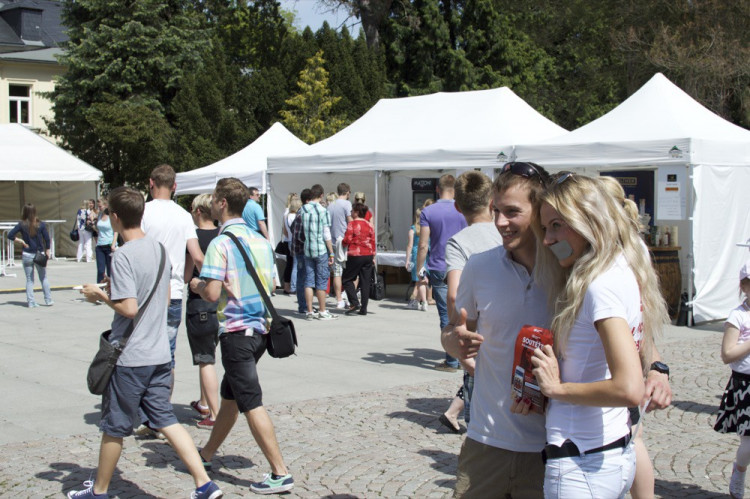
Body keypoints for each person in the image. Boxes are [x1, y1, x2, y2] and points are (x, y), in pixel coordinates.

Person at [68, 186, 222, 499]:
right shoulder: (161, 250)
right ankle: (204, 483)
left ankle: (99, 491)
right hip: (159, 353)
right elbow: (163, 299)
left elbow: (129, 309)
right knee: (165, 418)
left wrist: (100, 295)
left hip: (132, 356)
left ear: (114, 217)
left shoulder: (123, 255)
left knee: (114, 426)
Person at [529, 172, 668, 498]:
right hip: (610, 454)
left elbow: (629, 387)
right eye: (546, 228)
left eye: (557, 225)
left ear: (588, 219)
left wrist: (557, 389)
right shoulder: (620, 267)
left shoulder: (599, 285)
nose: (548, 239)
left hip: (581, 461)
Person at [442, 162, 552, 497]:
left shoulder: (567, 273)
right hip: (486, 442)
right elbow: (453, 332)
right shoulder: (480, 266)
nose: (500, 222)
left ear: (541, 210)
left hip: (551, 446)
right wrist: (454, 344)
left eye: (513, 212)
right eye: (496, 211)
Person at [189, 177, 294, 495]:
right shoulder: (261, 242)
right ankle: (206, 454)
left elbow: (210, 293)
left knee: (250, 401)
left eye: (214, 200)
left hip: (236, 332)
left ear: (221, 204)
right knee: (231, 396)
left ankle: (280, 472)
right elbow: (272, 285)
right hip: (261, 331)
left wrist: (195, 284)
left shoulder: (220, 244)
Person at [598, 175, 673, 499]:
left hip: (614, 364)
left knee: (629, 436)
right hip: (634, 354)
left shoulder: (609, 261)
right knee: (634, 435)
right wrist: (656, 366)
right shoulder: (632, 249)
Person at [139, 164, 204, 435]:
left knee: (141, 353)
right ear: (175, 186)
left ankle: (145, 412)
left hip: (145, 291)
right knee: (168, 356)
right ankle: (161, 414)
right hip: (175, 291)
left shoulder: (143, 211)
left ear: (151, 183)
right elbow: (197, 255)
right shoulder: (183, 216)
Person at [439, 171, 503, 434]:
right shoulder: (509, 231)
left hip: (481, 336)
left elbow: (454, 294)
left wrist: (455, 327)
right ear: (491, 202)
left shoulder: (460, 242)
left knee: (481, 426)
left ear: (458, 207)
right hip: (514, 333)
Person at [416, 174, 467, 372]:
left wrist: (419, 267)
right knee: (466, 311)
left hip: (439, 265)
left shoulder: (428, 211)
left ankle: (452, 359)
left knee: (446, 315)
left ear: (437, 189)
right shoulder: (462, 210)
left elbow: (423, 244)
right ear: (455, 189)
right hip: (463, 264)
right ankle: (465, 357)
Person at [184, 194, 220, 429]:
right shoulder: (222, 235)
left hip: (200, 302)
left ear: (198, 212)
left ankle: (215, 414)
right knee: (206, 354)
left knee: (205, 360)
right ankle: (204, 402)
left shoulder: (194, 237)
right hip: (221, 303)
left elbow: (187, 274)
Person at [714, 260, 750, 499]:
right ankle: (739, 470)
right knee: (748, 445)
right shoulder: (738, 316)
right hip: (745, 386)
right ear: (744, 286)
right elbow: (727, 354)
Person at [299, 184, 337, 321]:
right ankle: (322, 310)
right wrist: (331, 252)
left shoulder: (303, 209)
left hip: (308, 249)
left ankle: (309, 311)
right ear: (321, 195)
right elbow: (326, 234)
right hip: (320, 249)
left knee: (309, 281)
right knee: (321, 281)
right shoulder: (323, 210)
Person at [8, 203, 53, 307]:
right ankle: (48, 300)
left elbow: (10, 235)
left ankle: (31, 302)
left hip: (27, 254)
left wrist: (21, 241)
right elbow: (46, 238)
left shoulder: (21, 224)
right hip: (39, 254)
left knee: (29, 280)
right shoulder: (40, 224)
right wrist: (48, 250)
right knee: (44, 278)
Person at [342, 202, 376, 316]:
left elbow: (347, 239)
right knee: (365, 282)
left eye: (352, 211)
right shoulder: (369, 225)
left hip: (356, 254)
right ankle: (364, 308)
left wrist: (341, 242)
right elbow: (373, 241)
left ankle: (354, 302)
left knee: (346, 279)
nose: (351, 213)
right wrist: (373, 256)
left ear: (356, 212)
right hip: (368, 254)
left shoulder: (352, 224)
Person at [328, 183, 353, 309]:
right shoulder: (347, 204)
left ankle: (339, 299)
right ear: (347, 192)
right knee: (349, 271)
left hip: (333, 241)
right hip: (344, 241)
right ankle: (347, 296)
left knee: (337, 272)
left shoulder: (331, 205)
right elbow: (350, 221)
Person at [291, 189, 312, 315]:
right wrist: (310, 241)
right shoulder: (301, 213)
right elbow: (300, 235)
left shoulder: (301, 212)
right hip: (302, 250)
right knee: (302, 278)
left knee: (303, 278)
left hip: (300, 250)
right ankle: (303, 306)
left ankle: (304, 305)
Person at [405, 208, 428, 311]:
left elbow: (409, 246)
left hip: (416, 256)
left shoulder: (413, 229)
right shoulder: (427, 228)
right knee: (422, 280)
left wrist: (407, 260)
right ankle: (418, 301)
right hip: (426, 255)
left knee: (418, 280)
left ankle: (421, 301)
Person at [95, 197, 118, 283]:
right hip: (100, 245)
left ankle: (111, 291)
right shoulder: (100, 215)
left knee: (110, 270)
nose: (99, 208)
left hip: (109, 245)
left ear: (106, 205)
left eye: (100, 206)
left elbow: (116, 231)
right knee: (101, 270)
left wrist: (113, 243)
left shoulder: (111, 216)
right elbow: (98, 230)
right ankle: (99, 291)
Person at [282, 197, 301, 295]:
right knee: (295, 265)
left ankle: (292, 286)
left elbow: (284, 231)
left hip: (288, 240)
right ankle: (294, 286)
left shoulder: (287, 216)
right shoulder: (295, 216)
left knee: (292, 264)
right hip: (294, 241)